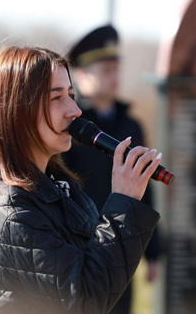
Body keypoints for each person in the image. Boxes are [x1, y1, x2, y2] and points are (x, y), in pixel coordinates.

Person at [0, 45, 163, 314]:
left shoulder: (61, 188)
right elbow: (83, 301)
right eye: (56, 98)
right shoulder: (12, 213)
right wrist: (123, 204)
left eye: (71, 95)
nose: (75, 110)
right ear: (16, 110)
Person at [62, 25, 162, 314]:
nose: (114, 77)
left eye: (117, 69)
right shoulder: (70, 127)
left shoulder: (130, 125)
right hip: (80, 245)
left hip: (123, 241)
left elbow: (144, 189)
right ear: (82, 75)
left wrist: (152, 252)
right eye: (106, 70)